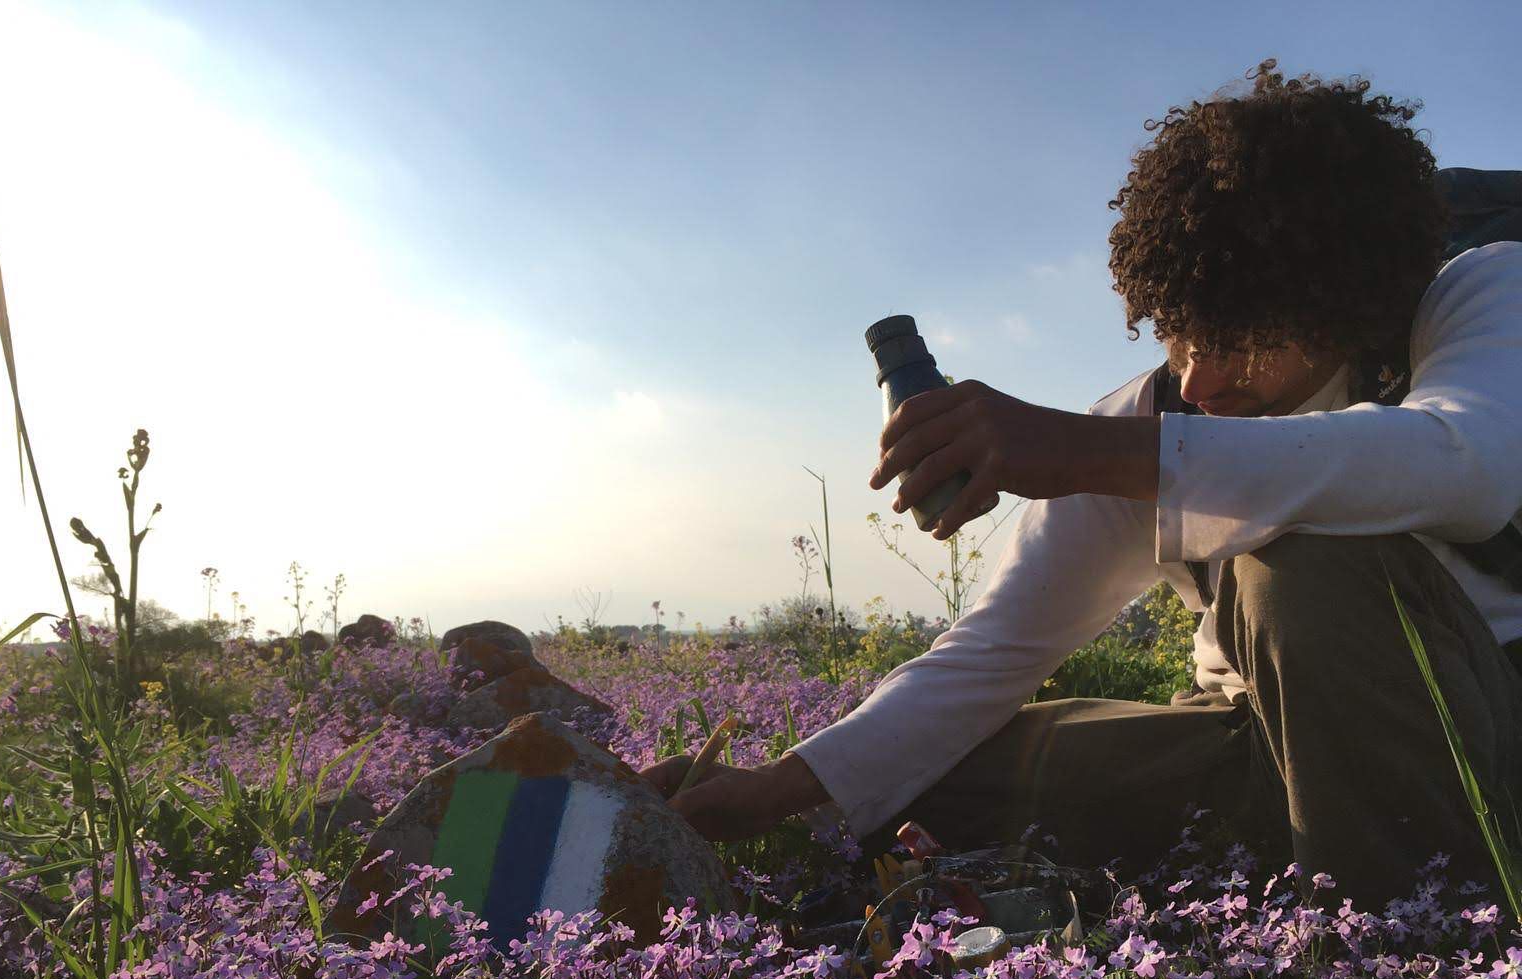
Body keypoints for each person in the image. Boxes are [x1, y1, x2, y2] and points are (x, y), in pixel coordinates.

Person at [641, 62, 1522, 910]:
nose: (1203, 385)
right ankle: (1290, 872)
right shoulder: (1151, 416)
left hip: (1475, 741)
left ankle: (1415, 968)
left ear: (1344, 306)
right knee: (928, 788)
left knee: (1296, 570)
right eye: (1182, 338)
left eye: (1244, 345)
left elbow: (1464, 464)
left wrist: (1082, 451)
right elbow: (993, 654)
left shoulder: (1478, 295)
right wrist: (771, 792)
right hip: (1261, 756)